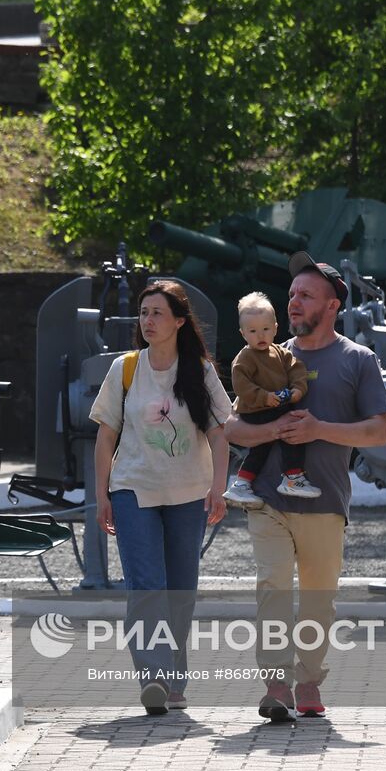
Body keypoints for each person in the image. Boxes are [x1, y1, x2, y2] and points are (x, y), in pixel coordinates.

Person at [226, 253, 386, 722]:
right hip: (269, 501)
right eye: (292, 295)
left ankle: (309, 681)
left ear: (333, 304)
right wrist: (272, 433)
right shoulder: (266, 357)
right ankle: (276, 685)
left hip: (325, 501)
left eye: (306, 296)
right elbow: (233, 429)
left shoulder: (359, 361)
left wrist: (318, 428)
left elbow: (377, 432)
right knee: (273, 588)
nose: (294, 303)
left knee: (319, 599)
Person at [90, 280, 232, 716]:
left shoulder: (200, 371)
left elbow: (220, 433)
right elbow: (105, 436)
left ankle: (174, 679)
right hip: (133, 489)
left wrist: (218, 488)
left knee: (181, 590)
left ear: (179, 322)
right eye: (143, 312)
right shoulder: (125, 368)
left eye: (157, 313)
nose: (147, 320)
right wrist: (102, 496)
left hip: (189, 493)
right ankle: (153, 676)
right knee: (147, 585)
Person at [223, 291, 321, 508]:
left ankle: (242, 482)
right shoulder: (245, 357)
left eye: (266, 329)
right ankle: (292, 476)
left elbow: (297, 370)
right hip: (255, 408)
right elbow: (241, 386)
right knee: (292, 430)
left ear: (276, 328)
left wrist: (297, 389)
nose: (260, 336)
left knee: (262, 448)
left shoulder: (280, 352)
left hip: (276, 404)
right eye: (253, 331)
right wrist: (265, 397)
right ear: (243, 333)